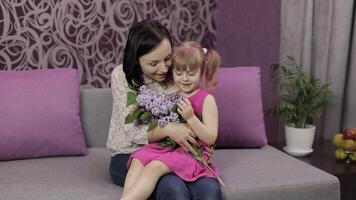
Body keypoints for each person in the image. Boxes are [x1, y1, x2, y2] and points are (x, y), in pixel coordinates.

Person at [107, 19, 222, 200]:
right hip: (129, 152)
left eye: (167, 58)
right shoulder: (122, 76)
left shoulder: (177, 72)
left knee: (204, 188)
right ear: (136, 59)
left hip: (175, 150)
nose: (163, 68)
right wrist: (169, 129)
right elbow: (132, 131)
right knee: (172, 186)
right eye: (153, 63)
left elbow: (196, 115)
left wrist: (200, 141)